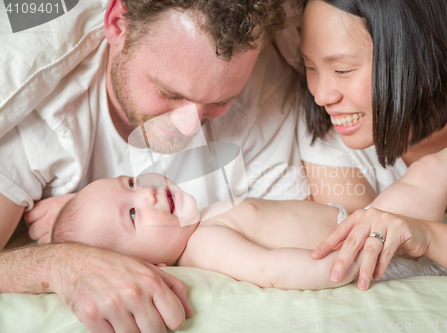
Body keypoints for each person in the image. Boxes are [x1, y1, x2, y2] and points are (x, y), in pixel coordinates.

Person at [0, 0, 309, 331]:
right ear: (118, 24)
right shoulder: (33, 103)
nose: (189, 126)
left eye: (220, 102)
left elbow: (310, 229)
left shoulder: (265, 88)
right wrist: (62, 261)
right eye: (169, 93)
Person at [298, 0, 447, 290]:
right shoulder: (329, 137)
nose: (321, 96)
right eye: (310, 66)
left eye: (342, 70)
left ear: (415, 57)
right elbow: (366, 255)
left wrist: (435, 173)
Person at [50, 173, 447, 290]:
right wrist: (348, 264)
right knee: (437, 172)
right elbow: (271, 269)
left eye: (132, 183)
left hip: (368, 226)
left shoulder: (199, 222)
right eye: (133, 214)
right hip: (372, 247)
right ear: (152, 265)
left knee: (438, 181)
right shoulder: (204, 246)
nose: (149, 194)